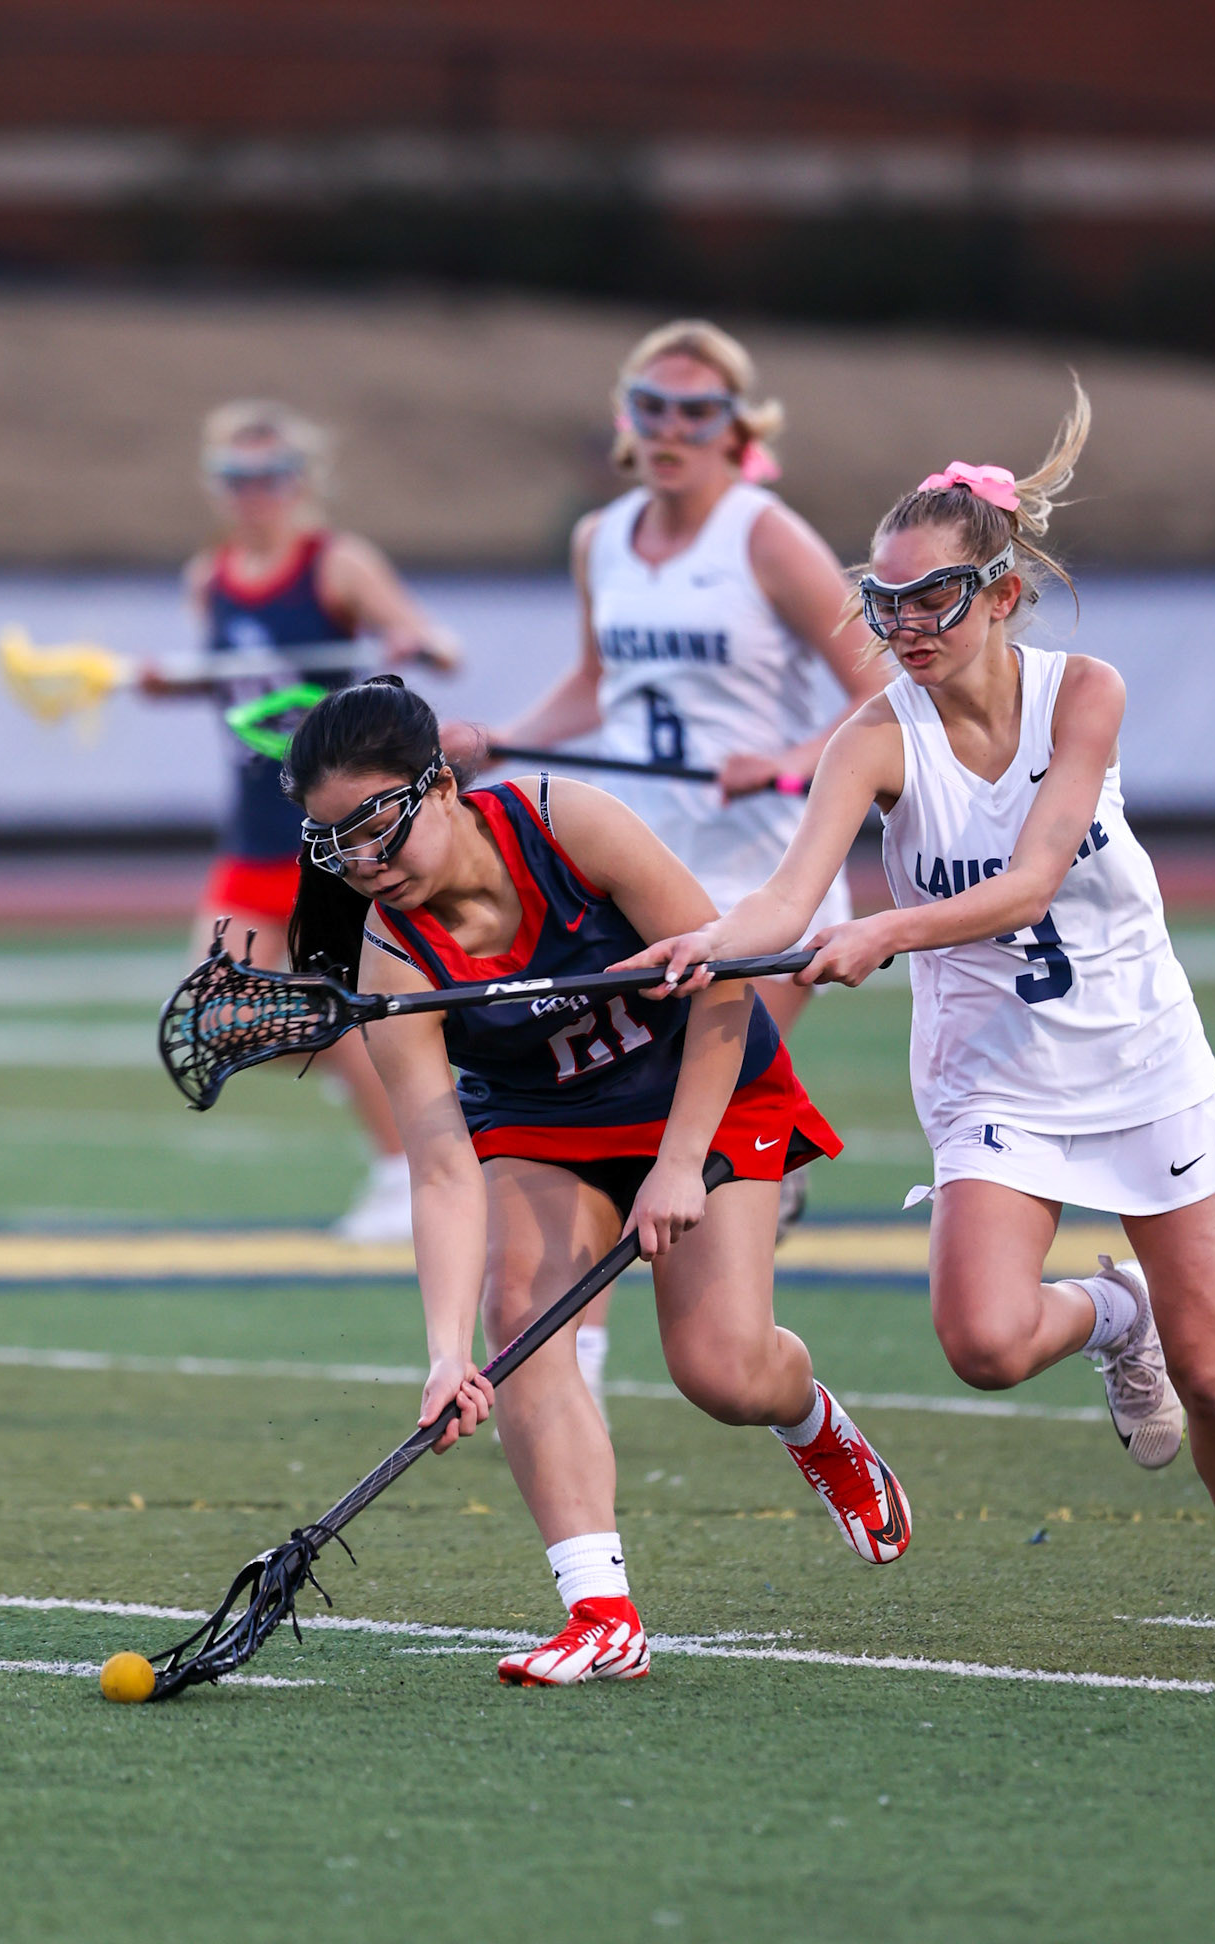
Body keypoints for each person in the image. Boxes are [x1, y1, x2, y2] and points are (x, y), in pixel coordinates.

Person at [625, 384, 1215, 1659]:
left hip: (1141, 1055)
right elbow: (786, 898)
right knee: (985, 1344)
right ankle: (1114, 1317)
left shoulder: (1086, 694)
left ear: (1002, 593)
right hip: (994, 1077)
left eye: (932, 600)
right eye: (884, 604)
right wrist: (698, 942)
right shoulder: (870, 739)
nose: (904, 626)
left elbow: (1032, 877)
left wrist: (883, 931)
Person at [282, 678, 911, 1686]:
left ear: (441, 786)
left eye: (378, 828)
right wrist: (446, 1355)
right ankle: (601, 1612)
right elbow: (442, 1166)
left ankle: (812, 1419)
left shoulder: (567, 822)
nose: (366, 864)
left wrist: (674, 1160)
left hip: (703, 1090)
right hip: (543, 1120)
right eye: (336, 844)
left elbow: (726, 978)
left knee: (723, 1371)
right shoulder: (393, 953)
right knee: (518, 1318)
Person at [457, 320, 885, 1412]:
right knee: (614, 1115)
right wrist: (503, 739)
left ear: (739, 429)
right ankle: (574, 1372)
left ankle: (747, 1203)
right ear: (626, 419)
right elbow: (598, 687)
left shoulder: (766, 537)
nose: (672, 429)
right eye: (652, 406)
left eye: (697, 412)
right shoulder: (600, 537)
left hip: (763, 879)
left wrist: (790, 761)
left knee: (701, 1092)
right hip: (636, 884)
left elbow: (881, 693)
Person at [162, 399, 461, 1242]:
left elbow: (426, 642)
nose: (254, 493)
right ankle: (406, 1155)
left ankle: (405, 1171)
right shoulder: (207, 576)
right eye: (236, 478)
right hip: (250, 831)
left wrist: (417, 644)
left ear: (300, 481)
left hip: (327, 834)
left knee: (331, 1010)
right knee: (226, 1013)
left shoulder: (336, 565)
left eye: (270, 476)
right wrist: (165, 681)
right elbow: (229, 681)